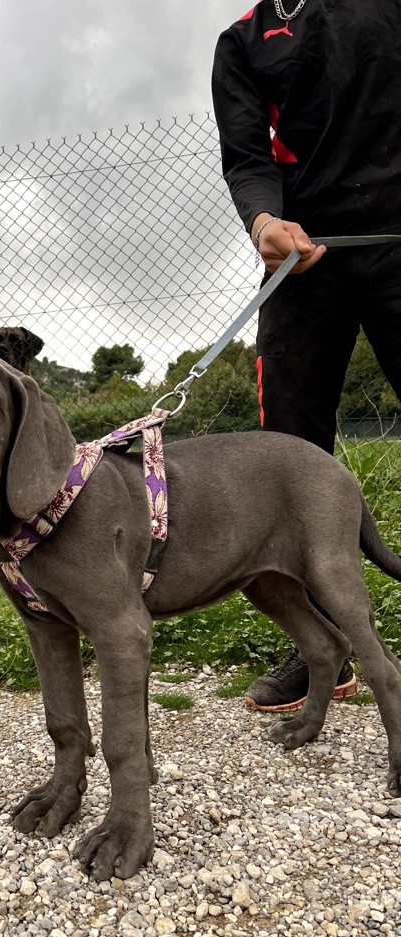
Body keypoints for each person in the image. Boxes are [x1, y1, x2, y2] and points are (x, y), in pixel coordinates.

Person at [211, 0, 401, 712]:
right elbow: (247, 155)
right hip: (302, 261)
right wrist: (263, 219)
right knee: (285, 458)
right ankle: (320, 642)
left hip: (396, 242)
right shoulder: (243, 41)